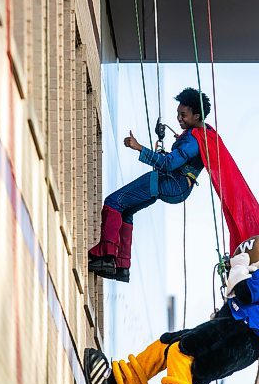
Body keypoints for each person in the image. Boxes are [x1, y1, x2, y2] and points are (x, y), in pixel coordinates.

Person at [84, 235, 259, 384]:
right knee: (168, 344)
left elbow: (245, 291)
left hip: (243, 334)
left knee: (184, 349)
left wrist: (239, 268)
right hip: (240, 338)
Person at [88, 88, 211, 283]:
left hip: (172, 183)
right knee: (125, 210)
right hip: (176, 185)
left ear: (197, 115)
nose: (179, 118)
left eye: (183, 115)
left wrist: (139, 147)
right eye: (178, 113)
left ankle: (106, 256)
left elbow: (170, 163)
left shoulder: (195, 139)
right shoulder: (199, 135)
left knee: (114, 202)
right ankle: (121, 266)